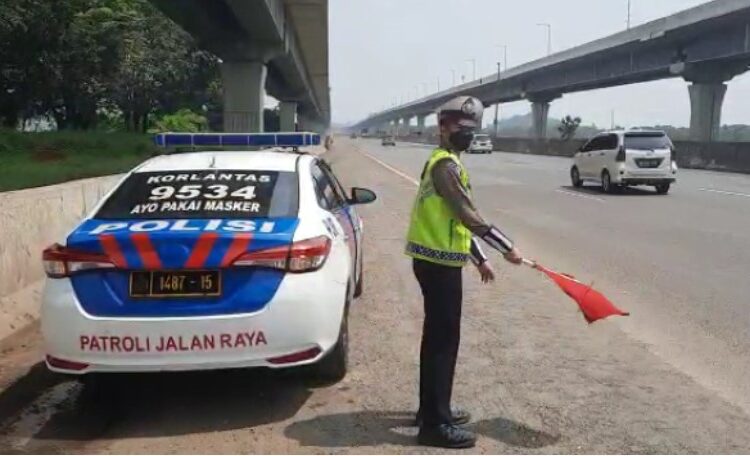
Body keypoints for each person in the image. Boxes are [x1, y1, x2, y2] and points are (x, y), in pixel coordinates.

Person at [405, 95, 524, 448]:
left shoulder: (448, 161)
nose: (467, 134)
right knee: (443, 343)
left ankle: (432, 410)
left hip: (439, 259)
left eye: (472, 129)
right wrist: (506, 248)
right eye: (460, 127)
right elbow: (468, 215)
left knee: (438, 340)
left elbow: (454, 221)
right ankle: (434, 425)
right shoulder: (446, 165)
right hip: (438, 264)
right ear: (442, 128)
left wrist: (480, 258)